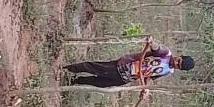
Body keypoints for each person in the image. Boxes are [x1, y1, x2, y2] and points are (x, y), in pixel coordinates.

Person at [62, 37, 195, 90]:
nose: (176, 63)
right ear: (180, 56)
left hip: (126, 78)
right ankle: (66, 70)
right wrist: (151, 42)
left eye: (178, 65)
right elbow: (156, 48)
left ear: (179, 69)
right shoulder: (166, 54)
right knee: (95, 68)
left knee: (100, 83)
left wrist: (145, 88)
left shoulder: (168, 71)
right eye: (179, 60)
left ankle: (73, 81)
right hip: (124, 67)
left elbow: (151, 77)